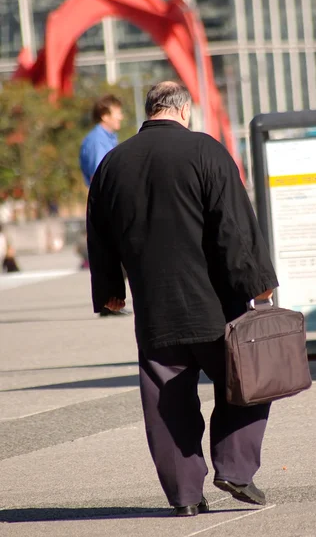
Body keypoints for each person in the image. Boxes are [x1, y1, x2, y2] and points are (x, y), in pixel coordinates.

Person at [86, 81, 278, 517]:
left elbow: (98, 235)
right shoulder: (206, 152)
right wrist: (257, 283)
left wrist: (111, 292)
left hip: (155, 308)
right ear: (184, 111)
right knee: (247, 383)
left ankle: (186, 496)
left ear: (149, 110)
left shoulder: (113, 163)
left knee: (166, 403)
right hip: (215, 304)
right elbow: (235, 226)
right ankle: (235, 467)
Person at [80, 94, 130, 316]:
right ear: (105, 115)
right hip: (107, 202)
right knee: (113, 252)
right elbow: (101, 175)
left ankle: (111, 301)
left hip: (111, 201)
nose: (120, 116)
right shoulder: (97, 141)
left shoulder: (109, 138)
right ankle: (109, 302)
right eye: (116, 112)